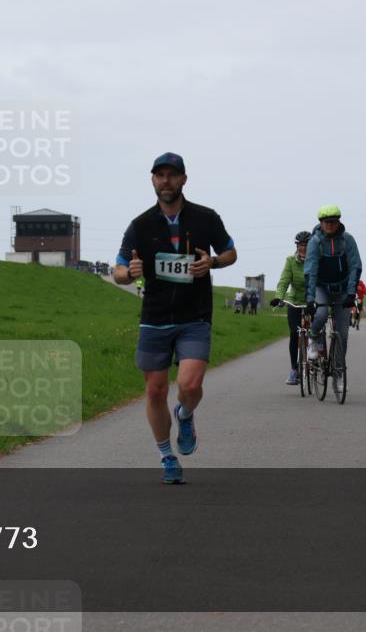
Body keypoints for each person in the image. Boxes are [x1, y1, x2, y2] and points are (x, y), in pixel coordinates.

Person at [113, 152, 237, 484]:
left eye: (172, 175)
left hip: (194, 315)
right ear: (153, 180)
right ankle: (166, 455)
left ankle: (184, 413)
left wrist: (212, 263)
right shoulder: (140, 225)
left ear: (183, 179)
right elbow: (118, 269)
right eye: (159, 175)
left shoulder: (205, 218)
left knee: (189, 385)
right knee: (154, 391)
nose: (165, 181)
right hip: (154, 317)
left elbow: (230, 251)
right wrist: (130, 272)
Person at [304, 205, 362, 395]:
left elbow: (355, 266)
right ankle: (313, 339)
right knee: (320, 314)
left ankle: (338, 375)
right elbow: (311, 271)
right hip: (322, 287)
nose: (330, 225)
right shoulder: (315, 242)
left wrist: (352, 293)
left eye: (333, 221)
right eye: (326, 222)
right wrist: (310, 299)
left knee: (342, 335)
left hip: (343, 288)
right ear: (320, 223)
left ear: (339, 222)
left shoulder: (347, 240)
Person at [270, 230, 311, 384]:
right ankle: (294, 369)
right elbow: (284, 281)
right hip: (294, 301)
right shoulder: (290, 261)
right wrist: (278, 297)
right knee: (294, 333)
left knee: (315, 330)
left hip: (312, 301)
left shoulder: (316, 260)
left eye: (306, 245)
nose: (303, 248)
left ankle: (316, 354)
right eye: (300, 245)